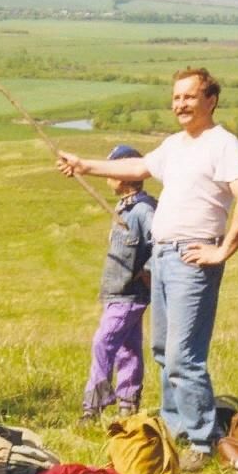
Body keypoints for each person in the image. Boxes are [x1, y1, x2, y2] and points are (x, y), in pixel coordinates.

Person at [57, 67, 238, 471]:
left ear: (211, 100)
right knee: (163, 351)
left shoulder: (223, 144)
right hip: (163, 255)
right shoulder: (174, 145)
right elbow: (136, 169)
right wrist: (84, 165)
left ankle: (203, 444)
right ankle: (174, 428)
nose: (179, 104)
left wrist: (222, 252)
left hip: (191, 258)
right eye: (176, 98)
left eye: (188, 97)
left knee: (185, 356)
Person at [80, 144, 156, 422]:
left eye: (112, 170)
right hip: (117, 292)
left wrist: (146, 271)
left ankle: (93, 406)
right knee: (128, 348)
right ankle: (128, 402)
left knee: (103, 342)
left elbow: (162, 241)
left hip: (130, 294)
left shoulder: (144, 211)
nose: (108, 176)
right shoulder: (124, 208)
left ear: (124, 175)